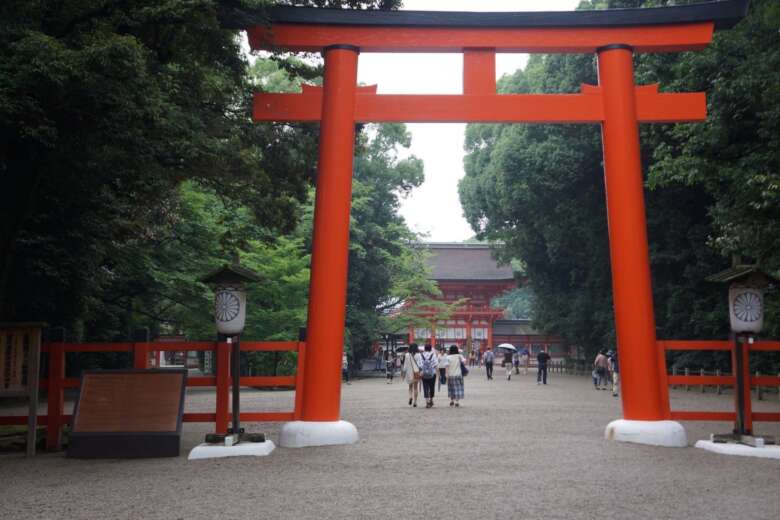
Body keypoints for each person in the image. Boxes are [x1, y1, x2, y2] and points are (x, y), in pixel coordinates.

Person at [420, 343, 439, 408]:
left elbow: (420, 365)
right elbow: (436, 364)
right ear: (430, 348)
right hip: (432, 373)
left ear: (425, 348)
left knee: (425, 388)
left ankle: (427, 402)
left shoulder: (421, 355)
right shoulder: (433, 355)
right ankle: (431, 400)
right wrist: (438, 373)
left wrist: (420, 372)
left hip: (424, 374)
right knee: (432, 387)